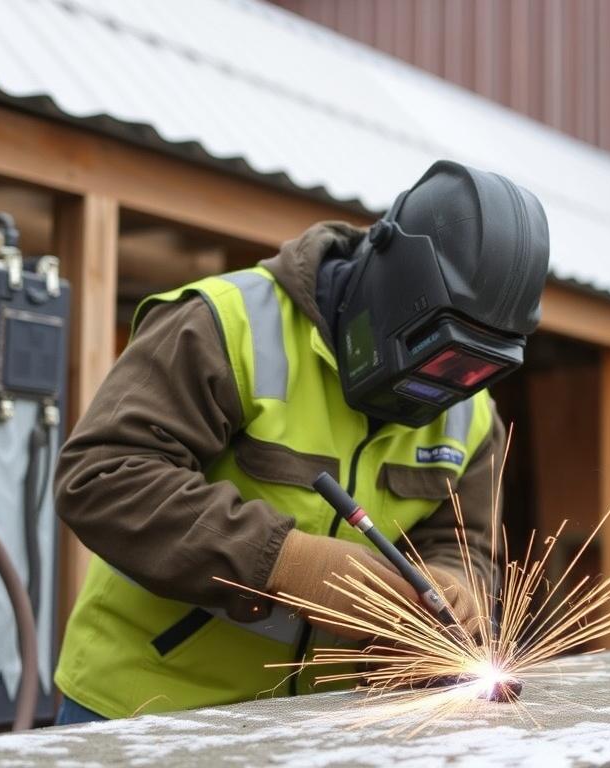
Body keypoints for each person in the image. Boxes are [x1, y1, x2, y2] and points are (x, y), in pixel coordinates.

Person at [52, 160, 550, 723]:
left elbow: (467, 546)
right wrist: (285, 562)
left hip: (322, 724)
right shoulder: (224, 324)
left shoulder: (473, 415)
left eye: (471, 367)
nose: (438, 388)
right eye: (431, 346)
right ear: (388, 278)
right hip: (143, 709)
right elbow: (103, 476)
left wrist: (455, 586)